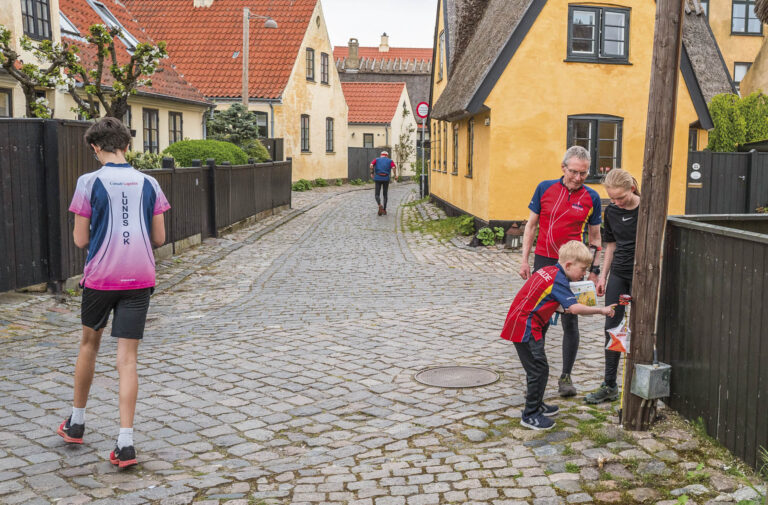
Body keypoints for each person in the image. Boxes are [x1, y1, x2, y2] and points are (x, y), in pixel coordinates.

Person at [57, 117, 170, 468]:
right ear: (127, 144)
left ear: (95, 147)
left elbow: (79, 239)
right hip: (139, 278)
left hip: (101, 279)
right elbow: (159, 239)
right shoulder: (150, 182)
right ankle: (125, 443)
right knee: (128, 359)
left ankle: (76, 423)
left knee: (89, 344)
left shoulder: (88, 182)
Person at [501, 241, 615, 430]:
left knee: (539, 368)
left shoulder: (548, 270)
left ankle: (537, 404)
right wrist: (601, 310)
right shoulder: (559, 280)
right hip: (525, 326)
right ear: (569, 265)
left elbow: (549, 299)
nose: (584, 274)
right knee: (538, 369)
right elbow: (574, 308)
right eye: (582, 269)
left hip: (523, 322)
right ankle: (530, 414)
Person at [519, 146, 603, 397]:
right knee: (538, 319)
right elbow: (531, 226)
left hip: (573, 265)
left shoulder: (592, 197)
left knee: (570, 319)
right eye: (574, 172)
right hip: (545, 261)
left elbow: (596, 236)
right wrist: (524, 260)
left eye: (584, 173)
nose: (578, 178)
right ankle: (536, 378)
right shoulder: (545, 188)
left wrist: (594, 271)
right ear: (563, 168)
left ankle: (566, 376)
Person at [585, 169, 641, 404]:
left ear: (632, 189)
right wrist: (603, 277)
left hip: (642, 275)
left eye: (621, 198)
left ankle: (640, 382)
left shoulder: (647, 208)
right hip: (619, 274)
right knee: (613, 325)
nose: (616, 202)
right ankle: (609, 384)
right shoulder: (613, 212)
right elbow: (611, 246)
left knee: (642, 325)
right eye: (612, 198)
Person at [369, 151, 397, 216]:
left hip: (378, 178)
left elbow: (371, 165)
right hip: (386, 178)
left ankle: (379, 205)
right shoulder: (390, 161)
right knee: (385, 194)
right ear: (387, 155)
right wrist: (395, 175)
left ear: (381, 155)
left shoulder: (376, 159)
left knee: (377, 194)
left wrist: (372, 173)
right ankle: (384, 209)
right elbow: (393, 167)